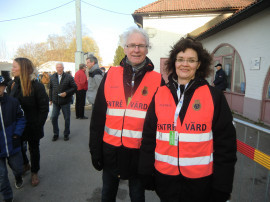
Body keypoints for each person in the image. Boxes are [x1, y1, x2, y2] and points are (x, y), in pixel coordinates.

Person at [138, 37, 237, 202]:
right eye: (181, 59)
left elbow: (226, 146)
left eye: (191, 60)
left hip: (201, 184)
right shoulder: (159, 94)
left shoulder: (214, 97)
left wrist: (222, 185)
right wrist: (146, 171)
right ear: (174, 62)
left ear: (199, 64)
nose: (185, 64)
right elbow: (149, 137)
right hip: (166, 182)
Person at [89, 26, 163, 202]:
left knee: (137, 196)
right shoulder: (111, 75)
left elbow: (162, 124)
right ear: (125, 49)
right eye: (131, 45)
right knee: (107, 194)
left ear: (147, 48)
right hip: (110, 152)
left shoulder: (157, 80)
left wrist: (156, 158)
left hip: (139, 154)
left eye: (141, 45)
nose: (136, 50)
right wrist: (95, 150)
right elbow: (98, 117)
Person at [7, 57, 49, 187]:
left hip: (33, 125)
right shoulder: (12, 85)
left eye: (15, 67)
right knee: (19, 148)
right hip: (17, 126)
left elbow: (44, 108)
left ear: (23, 69)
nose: (12, 69)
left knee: (34, 149)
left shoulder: (37, 86)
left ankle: (34, 171)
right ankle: (25, 164)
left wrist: (39, 125)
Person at [0, 76, 26, 202]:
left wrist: (17, 134)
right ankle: (7, 197)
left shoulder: (12, 102)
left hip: (12, 142)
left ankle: (18, 177)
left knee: (18, 168)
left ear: (4, 87)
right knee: (1, 176)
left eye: (1, 86)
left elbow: (21, 118)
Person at [49, 62, 77, 141]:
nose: (59, 69)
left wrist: (66, 93)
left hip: (65, 101)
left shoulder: (68, 77)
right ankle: (56, 133)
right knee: (53, 117)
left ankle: (66, 134)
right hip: (55, 102)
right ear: (56, 68)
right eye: (57, 67)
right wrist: (50, 99)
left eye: (60, 67)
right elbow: (50, 88)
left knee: (67, 118)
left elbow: (75, 87)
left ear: (63, 68)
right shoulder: (52, 77)